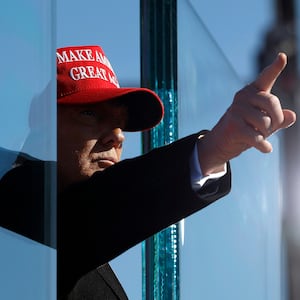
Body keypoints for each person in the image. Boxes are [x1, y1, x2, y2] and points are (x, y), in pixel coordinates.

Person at [0, 45, 296, 299]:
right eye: (90, 113)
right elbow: (79, 216)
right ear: (42, 124)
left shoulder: (84, 236)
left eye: (121, 124)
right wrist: (213, 149)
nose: (117, 137)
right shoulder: (17, 199)